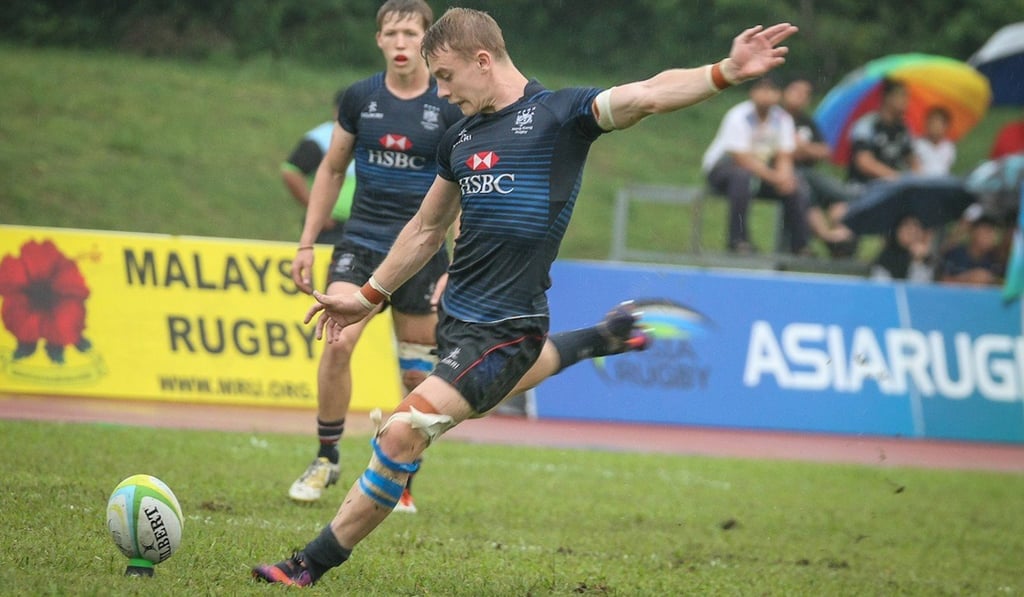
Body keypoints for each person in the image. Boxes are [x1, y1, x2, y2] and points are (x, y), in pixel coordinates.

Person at [253, 8, 797, 587]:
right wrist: (368, 296)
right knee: (473, 392)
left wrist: (725, 70)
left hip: (506, 328)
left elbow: (648, 95)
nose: (440, 91)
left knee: (402, 431)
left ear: (482, 61)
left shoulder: (559, 116)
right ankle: (598, 337)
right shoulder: (459, 136)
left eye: (445, 76)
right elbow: (425, 230)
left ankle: (308, 564)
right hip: (459, 321)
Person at [285, 0, 464, 513]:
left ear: (427, 42)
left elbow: (463, 188)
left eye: (411, 33)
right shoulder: (360, 98)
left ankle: (401, 477)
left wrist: (458, 260)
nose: (402, 43)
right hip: (361, 244)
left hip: (424, 252)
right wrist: (306, 240)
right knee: (337, 341)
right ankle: (326, 458)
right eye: (392, 33)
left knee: (417, 377)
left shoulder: (448, 103)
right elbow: (331, 170)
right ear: (379, 40)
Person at [702, 74, 810, 255]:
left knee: (796, 186)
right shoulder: (738, 116)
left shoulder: (783, 119)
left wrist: (784, 177)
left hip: (762, 172)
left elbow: (785, 155)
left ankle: (799, 245)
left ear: (779, 94)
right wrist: (775, 177)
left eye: (772, 90)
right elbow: (740, 158)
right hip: (724, 169)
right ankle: (738, 240)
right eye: (762, 89)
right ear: (752, 93)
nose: (766, 95)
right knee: (741, 177)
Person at [779, 76, 856, 257]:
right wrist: (799, 150)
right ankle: (826, 237)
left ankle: (842, 241)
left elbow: (825, 151)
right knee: (805, 192)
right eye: (797, 91)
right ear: (785, 92)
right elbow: (784, 151)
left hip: (810, 171)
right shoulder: (777, 117)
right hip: (787, 172)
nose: (801, 96)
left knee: (843, 194)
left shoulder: (808, 122)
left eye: (806, 94)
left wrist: (803, 148)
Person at [281, 89, 355, 246]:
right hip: (333, 227)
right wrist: (317, 212)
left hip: (369, 225)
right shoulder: (322, 137)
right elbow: (291, 171)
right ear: (336, 111)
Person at [847, 78, 920, 185]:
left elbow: (913, 161)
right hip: (864, 187)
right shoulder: (867, 124)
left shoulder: (904, 128)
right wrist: (896, 177)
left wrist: (918, 178)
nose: (906, 101)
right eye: (901, 95)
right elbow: (863, 162)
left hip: (892, 188)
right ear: (887, 97)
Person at [938, 210, 1004, 286]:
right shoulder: (955, 254)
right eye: (987, 232)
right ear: (973, 232)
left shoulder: (995, 259)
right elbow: (942, 282)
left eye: (993, 233)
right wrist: (968, 278)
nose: (991, 237)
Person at [869, 215, 936, 283]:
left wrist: (919, 261)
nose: (912, 230)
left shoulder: (928, 259)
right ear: (896, 230)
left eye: (916, 225)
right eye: (906, 225)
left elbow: (924, 290)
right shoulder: (885, 260)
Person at [913, 106, 956, 177]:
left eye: (939, 123)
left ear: (946, 127)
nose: (935, 127)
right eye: (932, 122)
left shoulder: (949, 147)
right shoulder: (918, 145)